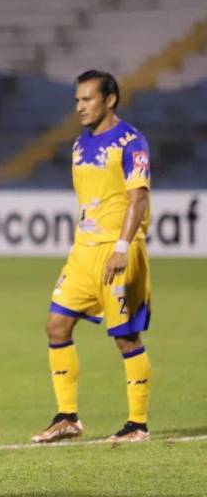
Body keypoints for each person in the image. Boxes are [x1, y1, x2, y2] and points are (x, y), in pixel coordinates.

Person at [32, 70, 154, 445]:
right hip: (83, 253)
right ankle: (67, 418)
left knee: (125, 337)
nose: (80, 107)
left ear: (110, 99)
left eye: (87, 99)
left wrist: (121, 247)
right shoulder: (80, 145)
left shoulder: (131, 142)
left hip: (118, 250)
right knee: (56, 326)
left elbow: (138, 198)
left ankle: (137, 424)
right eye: (77, 100)